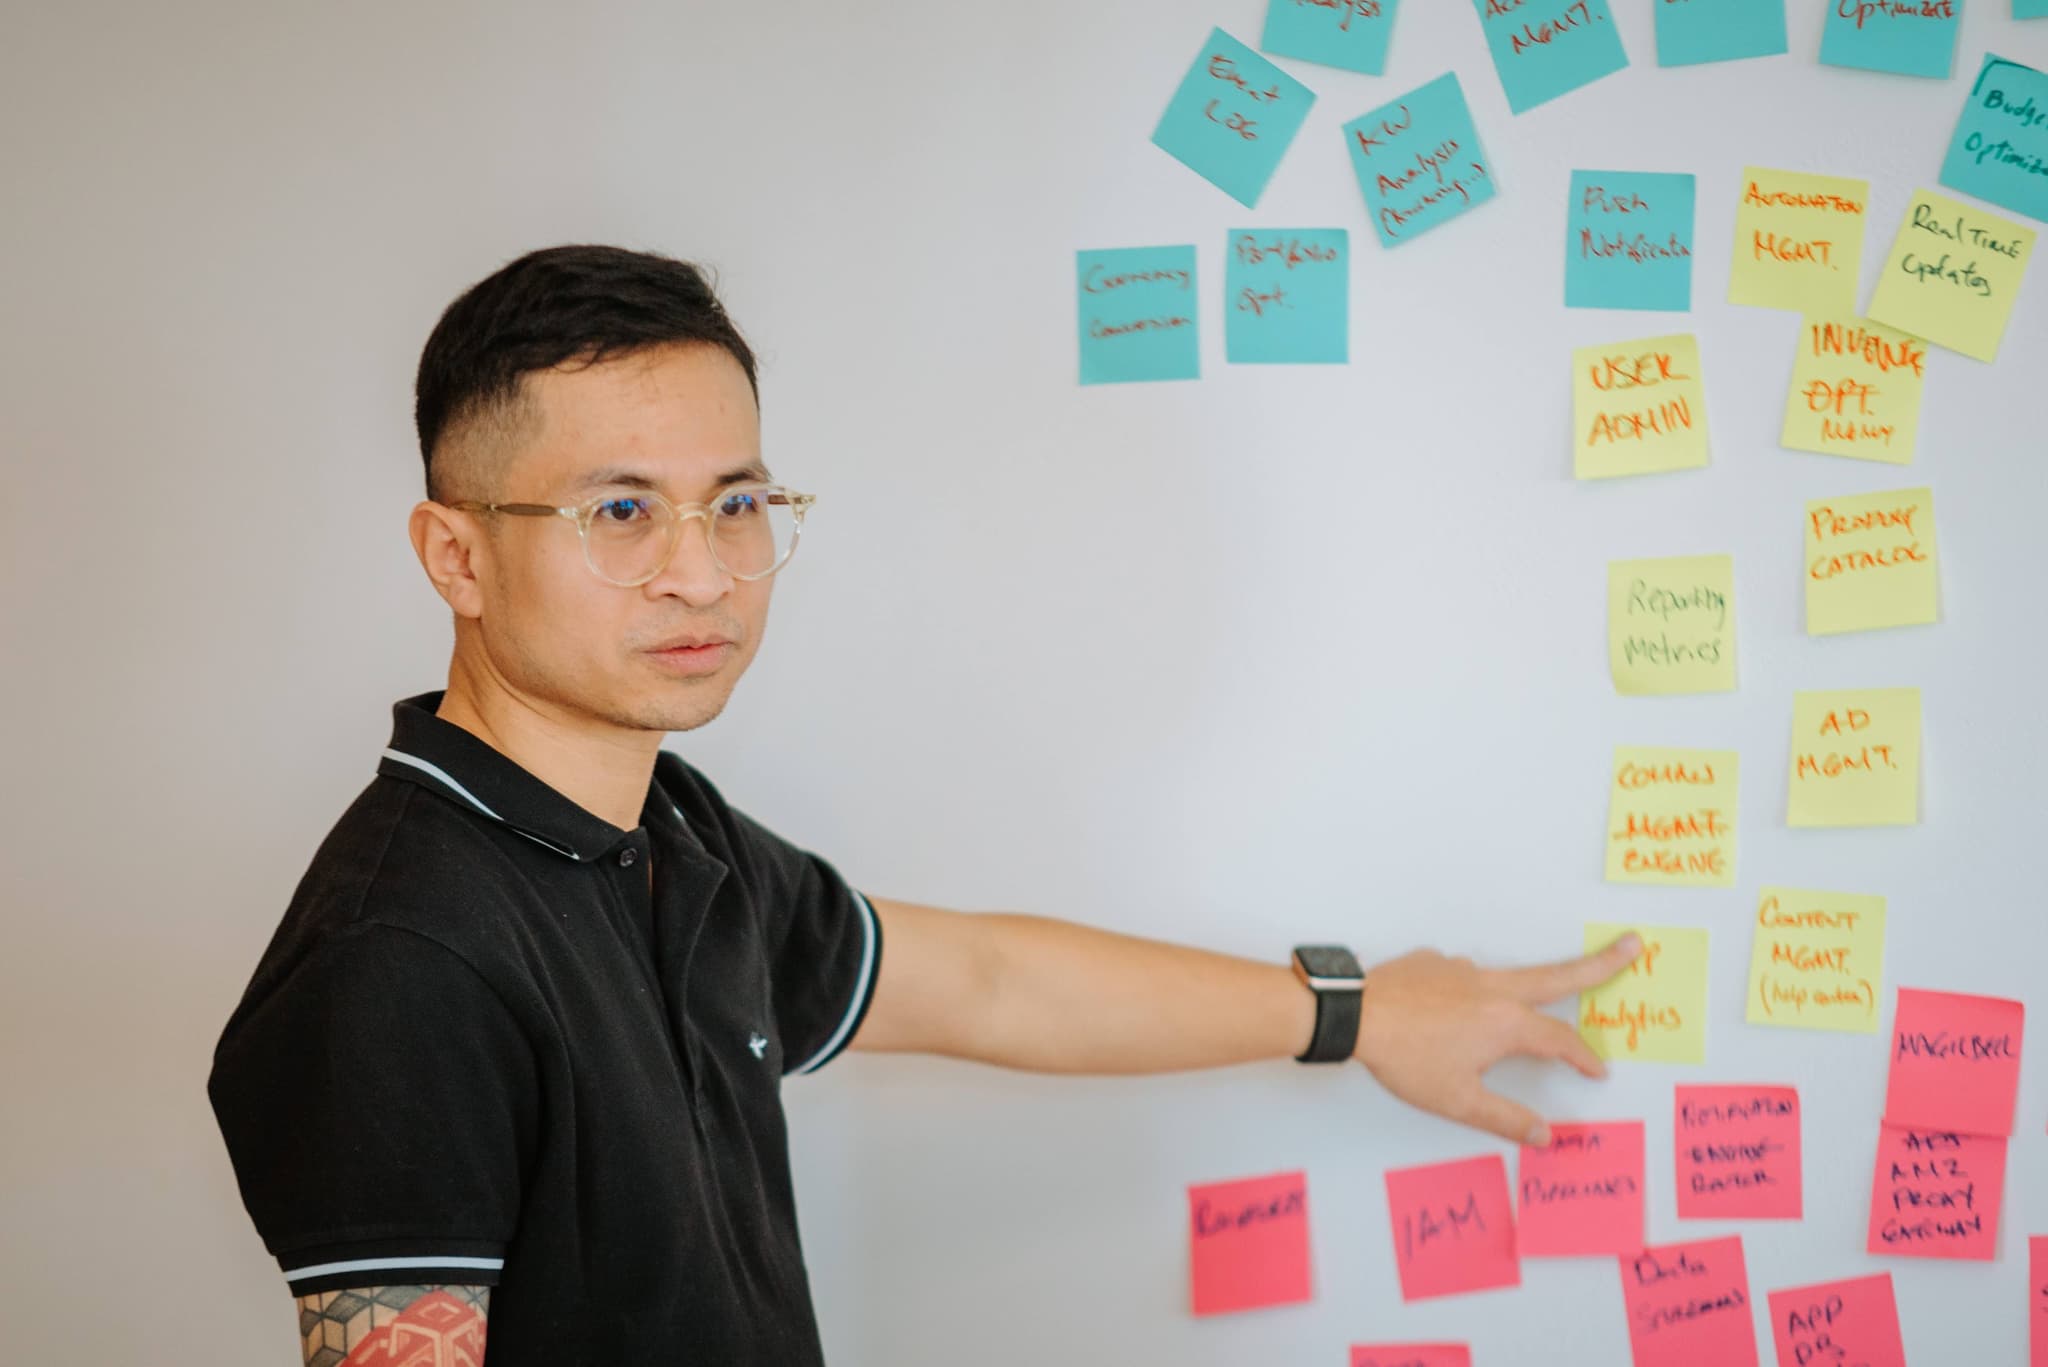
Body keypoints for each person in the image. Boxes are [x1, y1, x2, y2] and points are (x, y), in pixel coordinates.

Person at [206, 243, 1641, 1367]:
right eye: (621, 509)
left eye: (739, 501)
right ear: (454, 556)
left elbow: (993, 983)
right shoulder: (403, 958)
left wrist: (1361, 1009)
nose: (703, 572)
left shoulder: (674, 838)